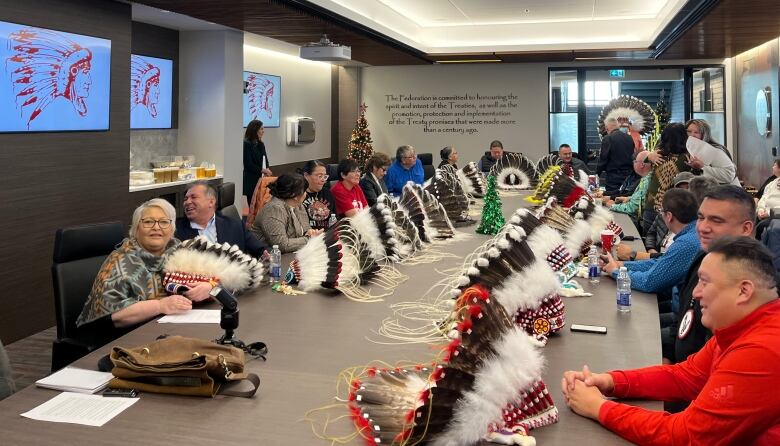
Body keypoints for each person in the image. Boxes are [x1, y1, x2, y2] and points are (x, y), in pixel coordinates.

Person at [562, 236, 780, 445]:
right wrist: (610, 381)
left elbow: (685, 436)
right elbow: (686, 377)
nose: (695, 292)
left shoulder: (761, 350)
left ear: (743, 291)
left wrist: (598, 408)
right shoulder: (743, 328)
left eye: (704, 282)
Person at [77, 199, 213, 333]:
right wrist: (160, 306)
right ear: (136, 229)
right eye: (148, 222)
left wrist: (209, 287)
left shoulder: (181, 251)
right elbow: (113, 317)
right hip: (123, 338)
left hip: (170, 329)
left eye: (164, 222)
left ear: (172, 230)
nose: (156, 227)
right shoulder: (119, 261)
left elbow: (221, 276)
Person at [670, 185, 756, 364]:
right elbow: (682, 318)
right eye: (701, 218)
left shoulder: (755, 281)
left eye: (716, 220)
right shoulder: (703, 257)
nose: (703, 228)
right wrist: (667, 356)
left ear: (746, 229)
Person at [600, 188, 700, 294]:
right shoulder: (692, 234)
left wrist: (616, 272)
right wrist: (621, 265)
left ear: (669, 216)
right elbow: (661, 263)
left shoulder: (686, 244)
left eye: (661, 211)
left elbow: (648, 282)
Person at [616, 172, 695, 262]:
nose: (684, 192)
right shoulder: (665, 210)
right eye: (681, 189)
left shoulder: (692, 224)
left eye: (688, 188)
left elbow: (669, 260)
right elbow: (651, 234)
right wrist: (651, 250)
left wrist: (634, 256)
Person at [176, 181, 267, 257]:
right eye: (185, 199)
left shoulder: (235, 226)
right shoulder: (175, 231)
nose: (187, 202)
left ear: (211, 202)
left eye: (193, 197)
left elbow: (262, 250)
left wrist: (270, 257)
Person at [250, 173, 321, 253]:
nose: (306, 194)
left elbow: (306, 230)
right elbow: (282, 245)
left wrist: (310, 232)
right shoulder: (274, 209)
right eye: (304, 191)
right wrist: (309, 239)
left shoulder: (298, 205)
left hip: (289, 255)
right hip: (266, 258)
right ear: (294, 195)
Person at [641, 123, 691, 233]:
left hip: (651, 204)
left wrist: (649, 156)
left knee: (647, 241)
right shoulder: (687, 158)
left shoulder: (658, 154)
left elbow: (643, 162)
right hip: (670, 209)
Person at [685, 119, 739, 186]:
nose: (692, 135)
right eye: (689, 131)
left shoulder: (716, 150)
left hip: (724, 192)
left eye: (696, 132)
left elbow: (729, 174)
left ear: (704, 134)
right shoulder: (688, 150)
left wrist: (702, 167)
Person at [597, 118, 635, 192]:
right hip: (628, 176)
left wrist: (597, 174)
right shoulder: (629, 138)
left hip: (613, 178)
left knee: (611, 200)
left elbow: (603, 159)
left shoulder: (608, 138)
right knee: (624, 198)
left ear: (607, 127)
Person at [243, 119, 273, 204]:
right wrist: (263, 170)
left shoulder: (260, 144)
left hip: (262, 179)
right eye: (261, 129)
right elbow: (248, 164)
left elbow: (265, 159)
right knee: (253, 206)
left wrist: (267, 168)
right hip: (251, 180)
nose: (263, 131)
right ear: (254, 130)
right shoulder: (246, 144)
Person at [300, 160, 334, 231]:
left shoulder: (327, 193)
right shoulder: (298, 195)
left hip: (328, 235)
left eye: (325, 176)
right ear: (306, 175)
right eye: (319, 176)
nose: (323, 180)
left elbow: (334, 218)